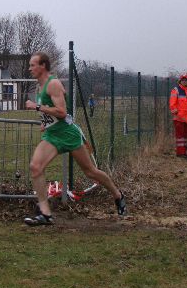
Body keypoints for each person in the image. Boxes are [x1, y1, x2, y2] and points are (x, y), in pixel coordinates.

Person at [23, 52, 126, 225]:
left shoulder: (53, 84)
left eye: (33, 65)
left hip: (68, 134)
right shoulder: (40, 86)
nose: (30, 68)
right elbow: (51, 113)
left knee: (90, 171)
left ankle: (118, 195)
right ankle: (45, 214)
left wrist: (37, 106)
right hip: (52, 135)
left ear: (43, 66)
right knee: (35, 167)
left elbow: (62, 112)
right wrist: (45, 123)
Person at [169, 74, 187, 160]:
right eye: (183, 80)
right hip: (179, 118)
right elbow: (172, 104)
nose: (184, 82)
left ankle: (183, 152)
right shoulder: (176, 90)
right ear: (180, 81)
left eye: (186, 80)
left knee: (185, 136)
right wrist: (177, 113)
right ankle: (180, 153)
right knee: (180, 137)